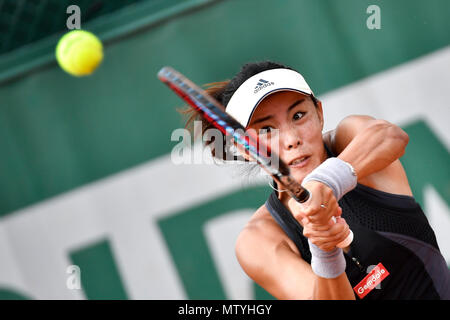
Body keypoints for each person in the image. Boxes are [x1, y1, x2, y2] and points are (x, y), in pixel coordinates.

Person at [180, 61, 450, 300]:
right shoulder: (259, 240)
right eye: (267, 130)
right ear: (245, 148)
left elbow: (392, 137)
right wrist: (324, 249)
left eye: (298, 116)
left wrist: (326, 182)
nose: (292, 139)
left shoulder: (350, 138)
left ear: (319, 113)